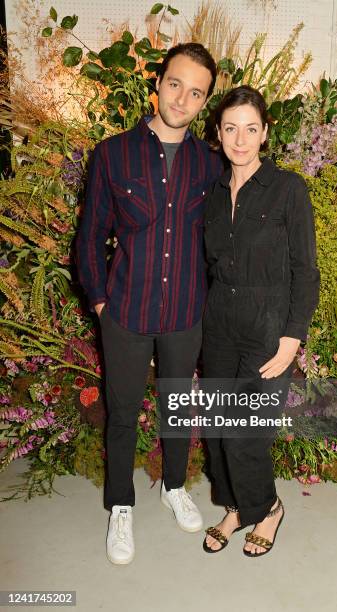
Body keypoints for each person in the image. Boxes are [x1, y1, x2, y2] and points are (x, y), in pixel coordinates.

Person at [75, 43, 223, 565]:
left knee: (179, 408)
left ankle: (174, 486)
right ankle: (120, 505)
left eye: (197, 92)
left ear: (205, 102)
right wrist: (99, 302)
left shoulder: (211, 163)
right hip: (127, 312)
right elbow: (89, 238)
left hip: (186, 311)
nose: (183, 98)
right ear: (157, 82)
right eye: (176, 83)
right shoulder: (112, 154)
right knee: (122, 413)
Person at [201, 85, 320, 557]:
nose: (240, 139)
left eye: (251, 128)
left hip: (268, 329)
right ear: (218, 133)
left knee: (243, 430)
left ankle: (267, 508)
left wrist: (293, 337)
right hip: (219, 327)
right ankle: (234, 505)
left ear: (265, 132)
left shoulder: (289, 188)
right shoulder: (212, 193)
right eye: (231, 128)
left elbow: (306, 270)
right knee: (215, 426)